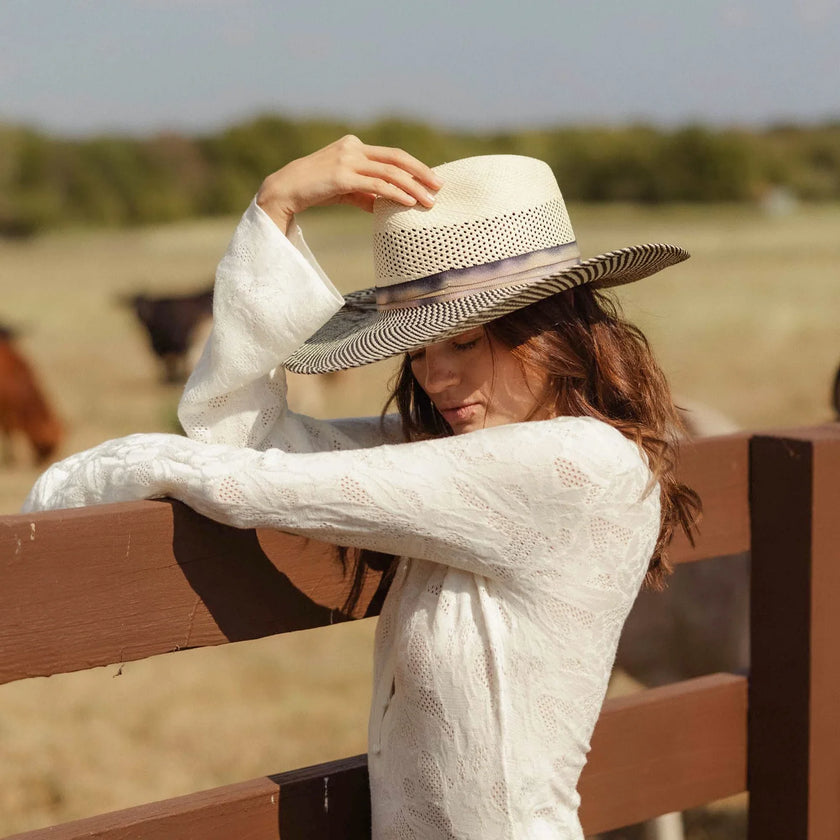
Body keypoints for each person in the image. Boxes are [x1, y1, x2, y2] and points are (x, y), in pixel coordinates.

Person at [24, 135, 701, 839]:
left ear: (552, 328)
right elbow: (244, 445)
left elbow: (256, 484)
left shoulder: (578, 465)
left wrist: (91, 477)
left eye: (464, 341)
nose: (435, 378)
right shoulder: (467, 455)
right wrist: (274, 209)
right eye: (418, 351)